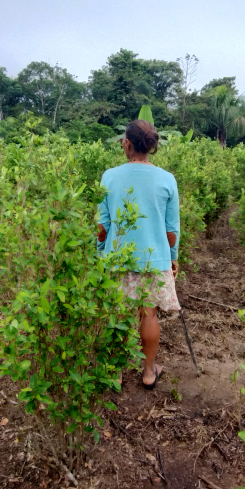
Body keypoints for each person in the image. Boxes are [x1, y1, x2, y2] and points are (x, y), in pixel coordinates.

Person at [97, 119, 180, 390]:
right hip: (155, 258)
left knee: (118, 315)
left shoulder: (109, 176)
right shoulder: (167, 179)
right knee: (149, 314)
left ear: (128, 144)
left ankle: (116, 372)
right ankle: (148, 373)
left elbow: (102, 225)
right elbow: (172, 228)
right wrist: (173, 257)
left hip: (118, 258)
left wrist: (101, 254)